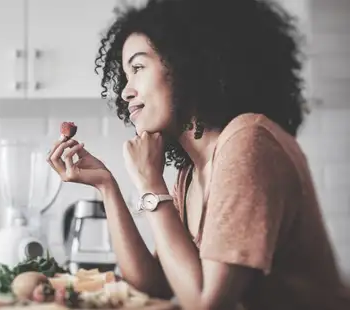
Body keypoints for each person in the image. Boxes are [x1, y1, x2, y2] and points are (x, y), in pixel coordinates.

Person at [46, 0, 350, 309]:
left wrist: (151, 185)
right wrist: (106, 186)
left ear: (188, 64)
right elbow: (155, 284)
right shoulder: (191, 171)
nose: (125, 91)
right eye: (125, 75)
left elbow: (207, 304)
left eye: (137, 67)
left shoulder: (248, 141)